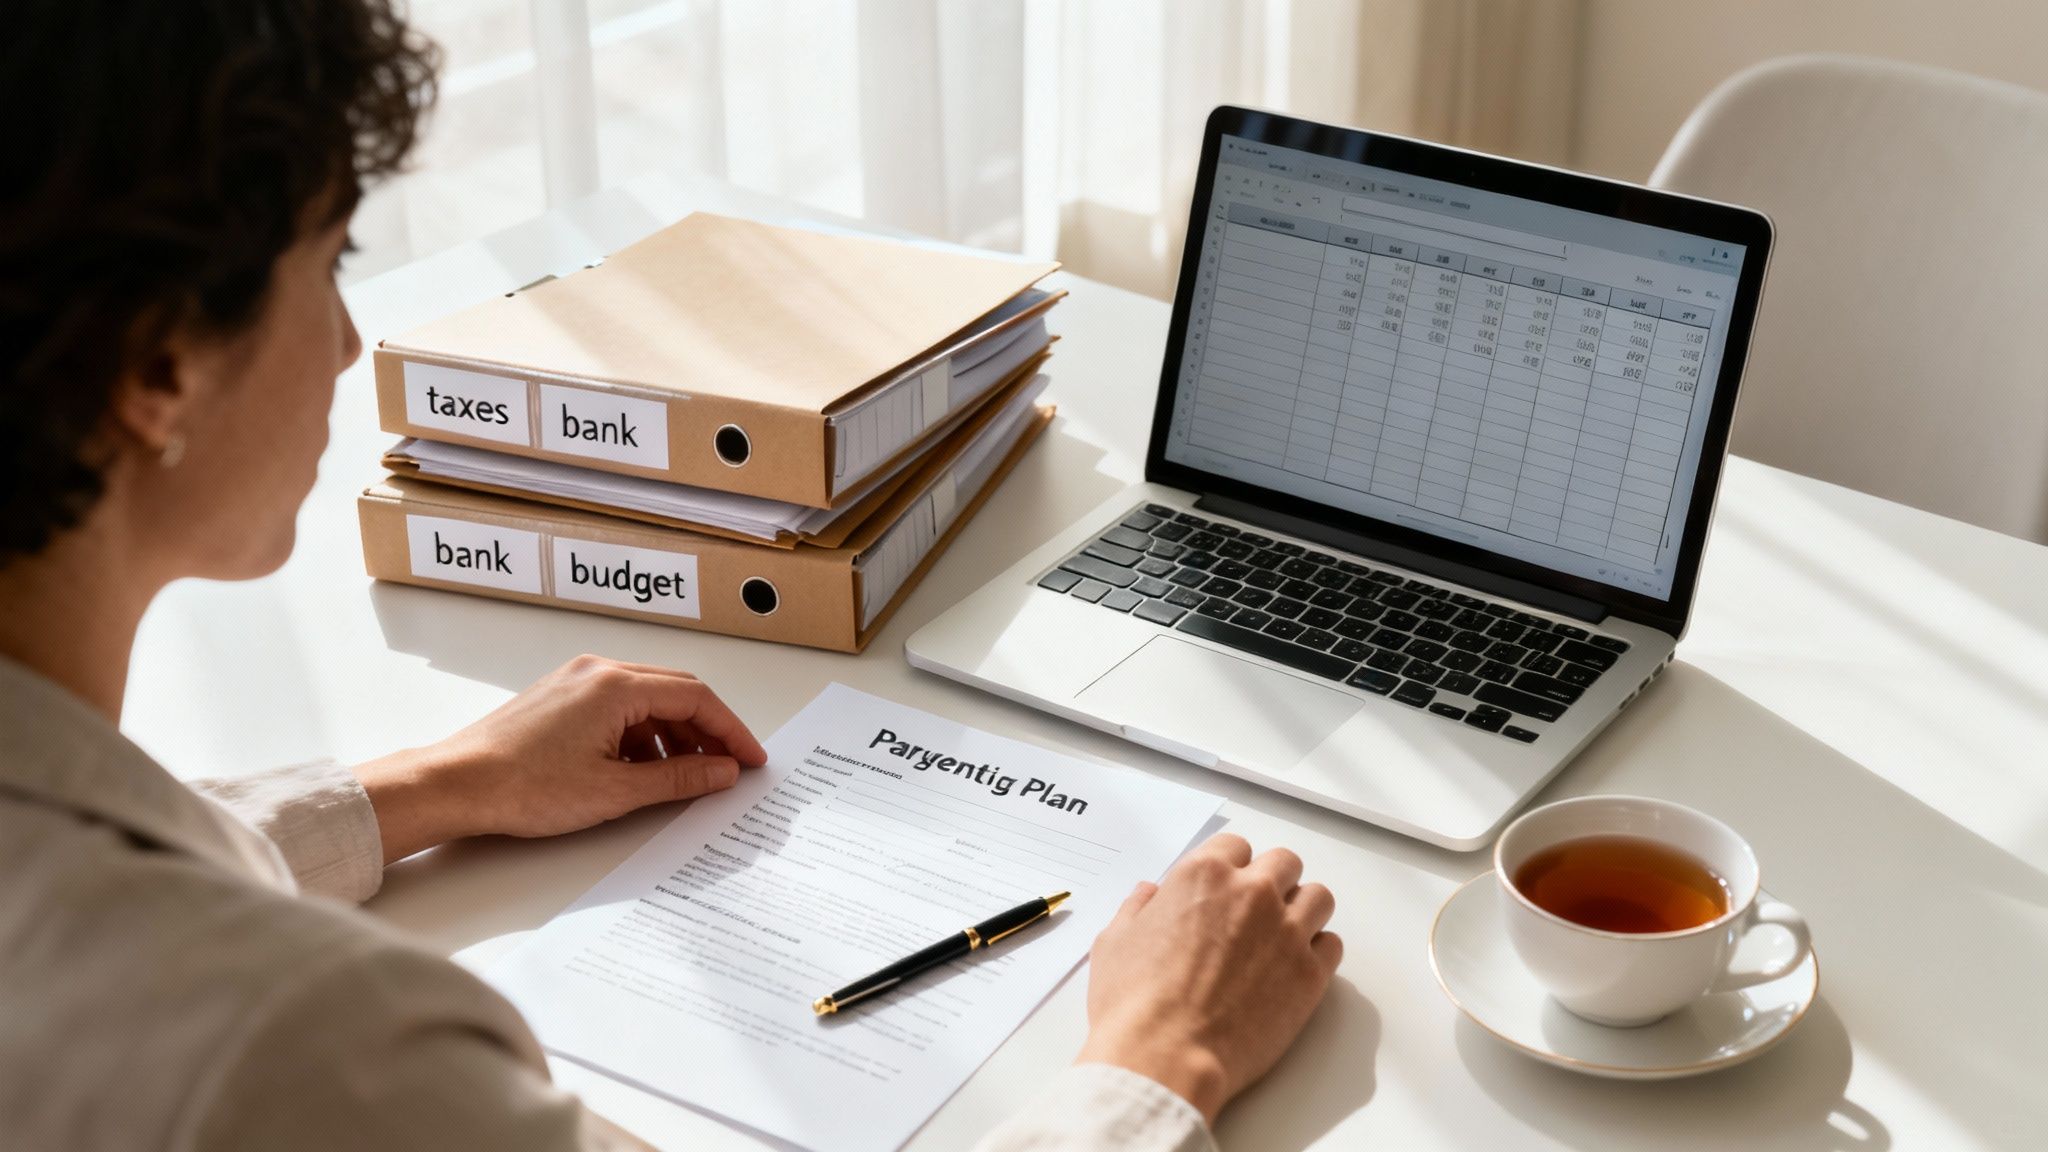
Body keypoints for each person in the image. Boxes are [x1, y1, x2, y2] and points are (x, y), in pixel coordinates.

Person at [0, 2, 1344, 1149]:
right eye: (331, 259)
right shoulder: (323, 1048)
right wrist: (1162, 1058)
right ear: (161, 364)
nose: (356, 346)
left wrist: (431, 785)